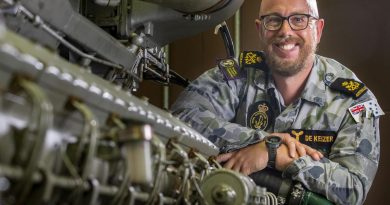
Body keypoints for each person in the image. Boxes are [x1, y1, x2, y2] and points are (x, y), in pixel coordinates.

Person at [171, 0, 383, 204]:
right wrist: (262, 141)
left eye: (299, 19)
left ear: (317, 29)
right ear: (260, 29)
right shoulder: (237, 75)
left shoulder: (354, 100)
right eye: (273, 20)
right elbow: (181, 116)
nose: (285, 31)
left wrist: (276, 154)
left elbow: (353, 189)